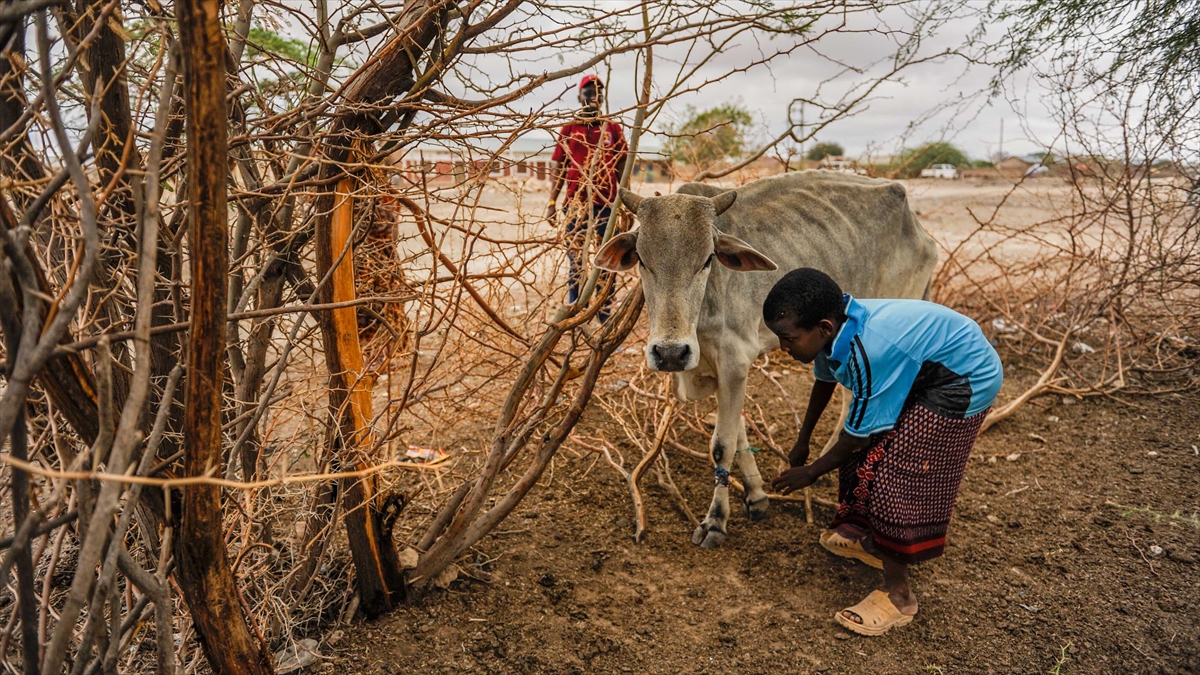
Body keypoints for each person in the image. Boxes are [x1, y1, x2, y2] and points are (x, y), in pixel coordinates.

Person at [763, 268, 1003, 636]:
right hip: (923, 371)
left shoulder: (868, 350)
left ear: (823, 328)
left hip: (964, 379)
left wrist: (810, 472)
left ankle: (899, 596)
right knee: (866, 458)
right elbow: (825, 382)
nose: (784, 348)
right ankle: (867, 539)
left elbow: (855, 437)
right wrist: (803, 439)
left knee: (897, 477)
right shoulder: (835, 332)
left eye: (788, 339)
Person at [546, 74, 628, 322]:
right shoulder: (570, 129)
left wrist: (623, 203)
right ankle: (576, 315)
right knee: (576, 263)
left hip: (607, 207)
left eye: (599, 92)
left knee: (607, 264)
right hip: (576, 207)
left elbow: (622, 163)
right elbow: (559, 165)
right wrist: (551, 202)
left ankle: (605, 315)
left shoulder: (611, 128)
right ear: (579, 96)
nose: (594, 96)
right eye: (589, 92)